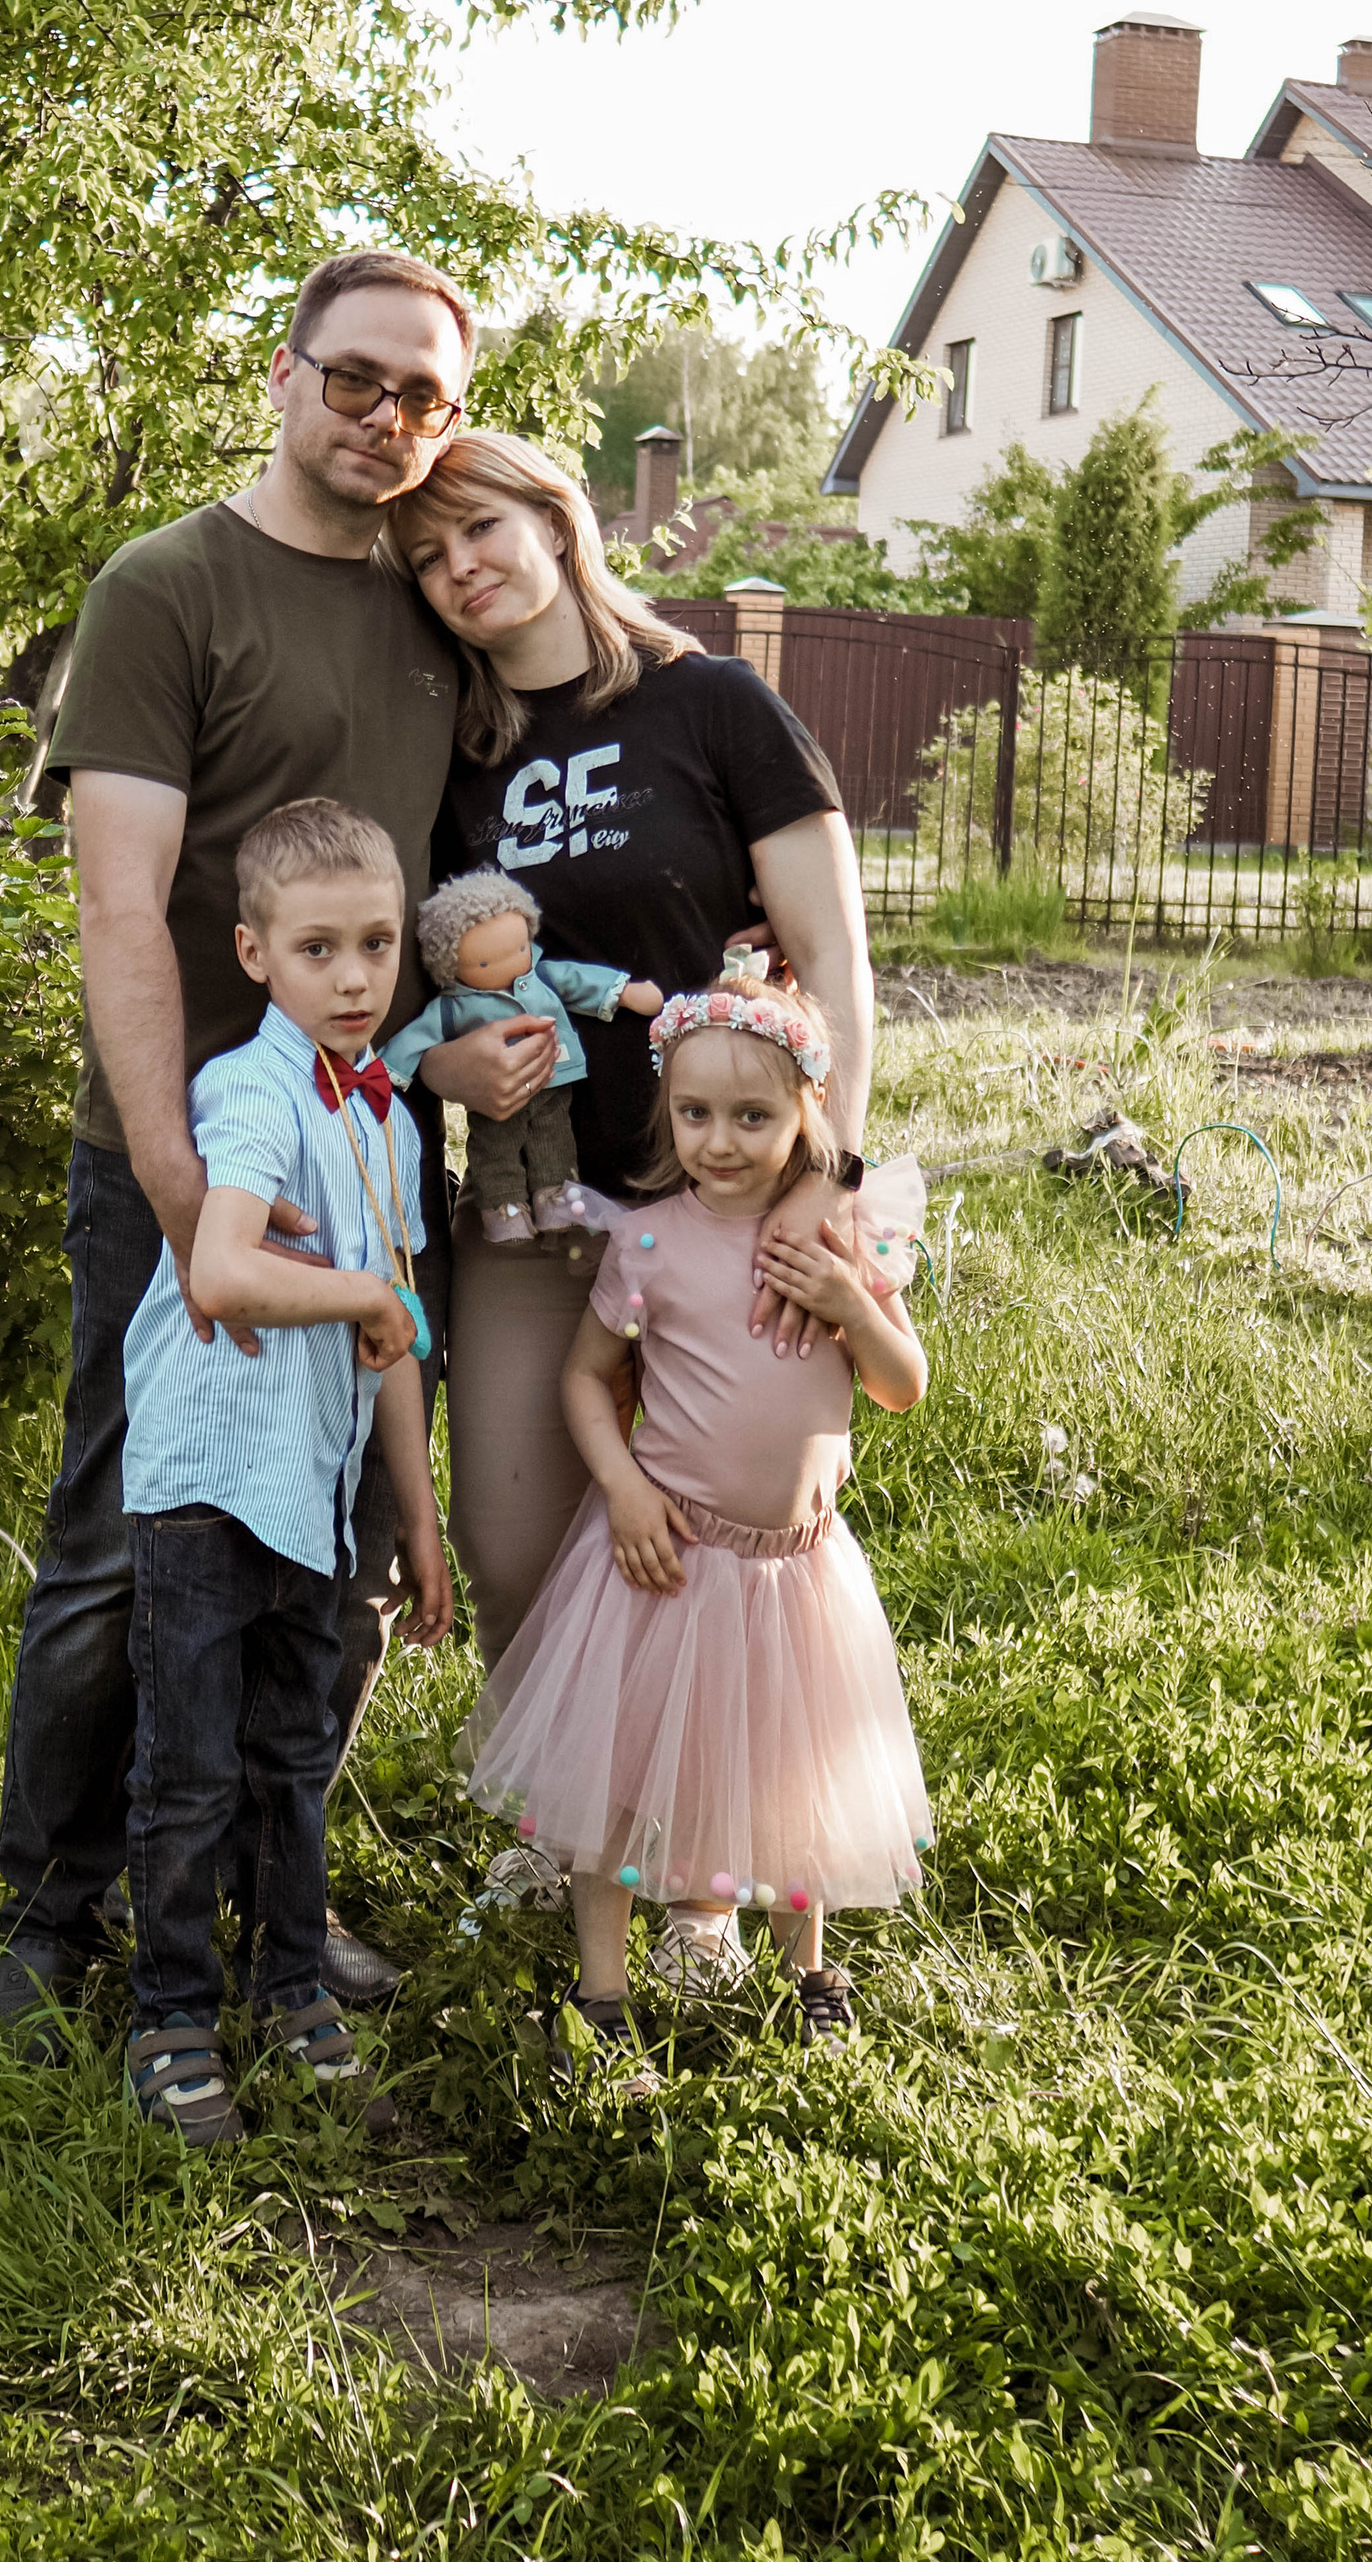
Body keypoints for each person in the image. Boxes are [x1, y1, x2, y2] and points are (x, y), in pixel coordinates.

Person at [0, 249, 534, 2049]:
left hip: (372, 1158)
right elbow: (121, 909)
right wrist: (175, 1190)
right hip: (193, 1160)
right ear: (284, 375)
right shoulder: (167, 589)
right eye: (355, 376)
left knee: (344, 1545)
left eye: (423, 394)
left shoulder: (434, 612)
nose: (384, 416)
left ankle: (264, 1890)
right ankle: (52, 1913)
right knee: (123, 1542)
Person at [380, 426, 877, 1994]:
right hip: (535, 1209)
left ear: (558, 517)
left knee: (722, 1552)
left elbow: (833, 960)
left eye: (481, 528)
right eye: (427, 555)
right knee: (514, 1532)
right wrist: (448, 1061)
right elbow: (417, 979)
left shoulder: (712, 703)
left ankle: (701, 1872)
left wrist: (831, 1187)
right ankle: (577, 1814)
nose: (460, 568)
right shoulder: (452, 759)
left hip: (723, 1213)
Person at [461, 977, 931, 2062]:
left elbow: (901, 1384)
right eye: (694, 1113)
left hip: (796, 1567)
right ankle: (602, 1991)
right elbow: (587, 1377)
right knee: (617, 1773)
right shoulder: (649, 1245)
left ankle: (808, 1970)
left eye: (753, 1115)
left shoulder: (838, 1236)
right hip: (666, 1555)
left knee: (793, 1766)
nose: (719, 1141)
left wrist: (850, 1304)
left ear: (808, 1111)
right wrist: (621, 1485)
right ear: (666, 1111)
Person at [119, 800, 454, 2149]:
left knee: (291, 1755)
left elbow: (397, 1333)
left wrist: (418, 1517)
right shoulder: (250, 1091)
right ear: (256, 954)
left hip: (313, 1491)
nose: (356, 976)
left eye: (377, 942)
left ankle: (290, 1986)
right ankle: (171, 2015)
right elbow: (221, 1268)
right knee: (191, 1768)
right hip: (209, 1483)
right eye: (319, 948)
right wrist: (363, 1291)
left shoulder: (392, 1123)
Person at [383, 869, 660, 1243]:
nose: (513, 965)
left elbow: (578, 981)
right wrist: (386, 1071)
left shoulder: (541, 977)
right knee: (495, 1148)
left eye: (519, 950)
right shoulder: (451, 1008)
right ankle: (503, 1207)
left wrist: (624, 993)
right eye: (484, 964)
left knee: (553, 1138)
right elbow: (416, 1037)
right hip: (493, 1096)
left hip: (553, 1077)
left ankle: (556, 1198)